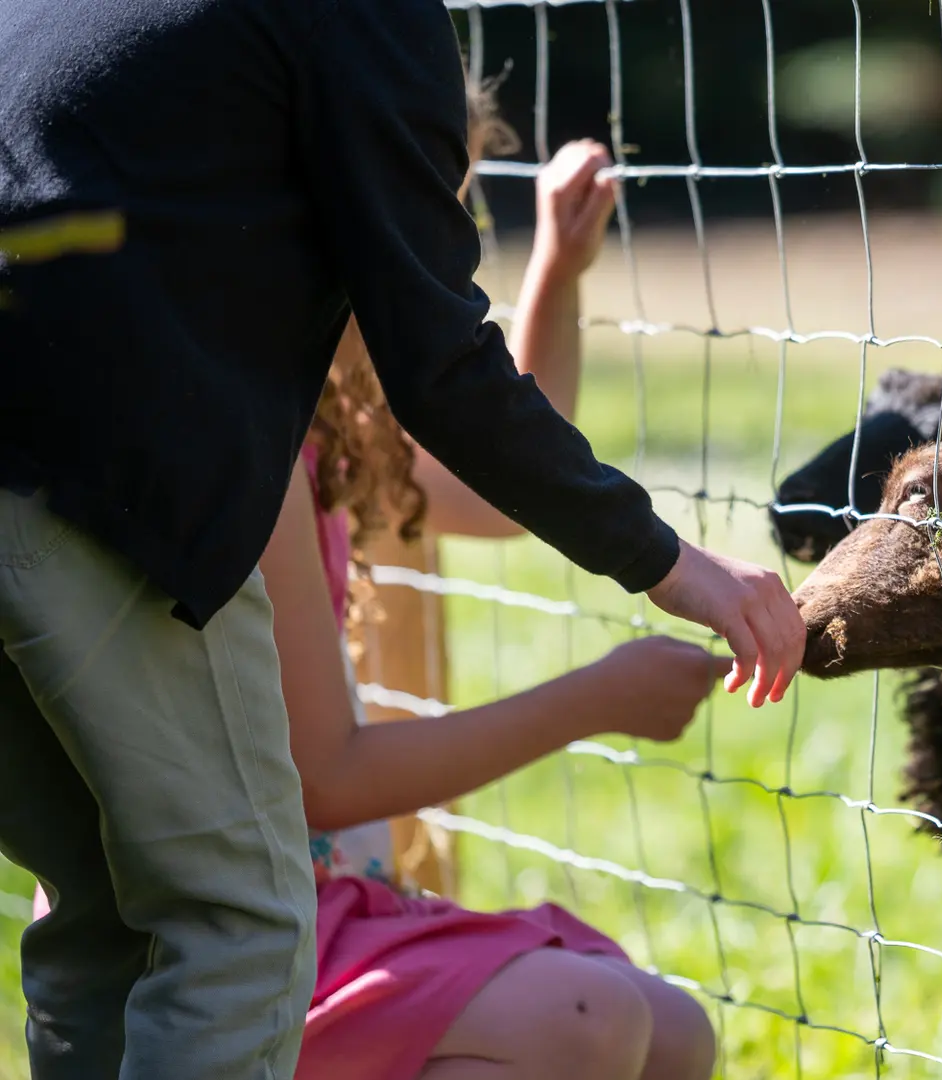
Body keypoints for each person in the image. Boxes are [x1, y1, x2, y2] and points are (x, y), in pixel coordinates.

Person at [0, 2, 801, 1077]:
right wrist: (654, 599)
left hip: (37, 452)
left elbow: (493, 479)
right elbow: (445, 368)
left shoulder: (320, 433)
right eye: (427, 210)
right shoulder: (249, 459)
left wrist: (554, 278)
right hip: (105, 489)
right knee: (235, 932)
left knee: (114, 925)